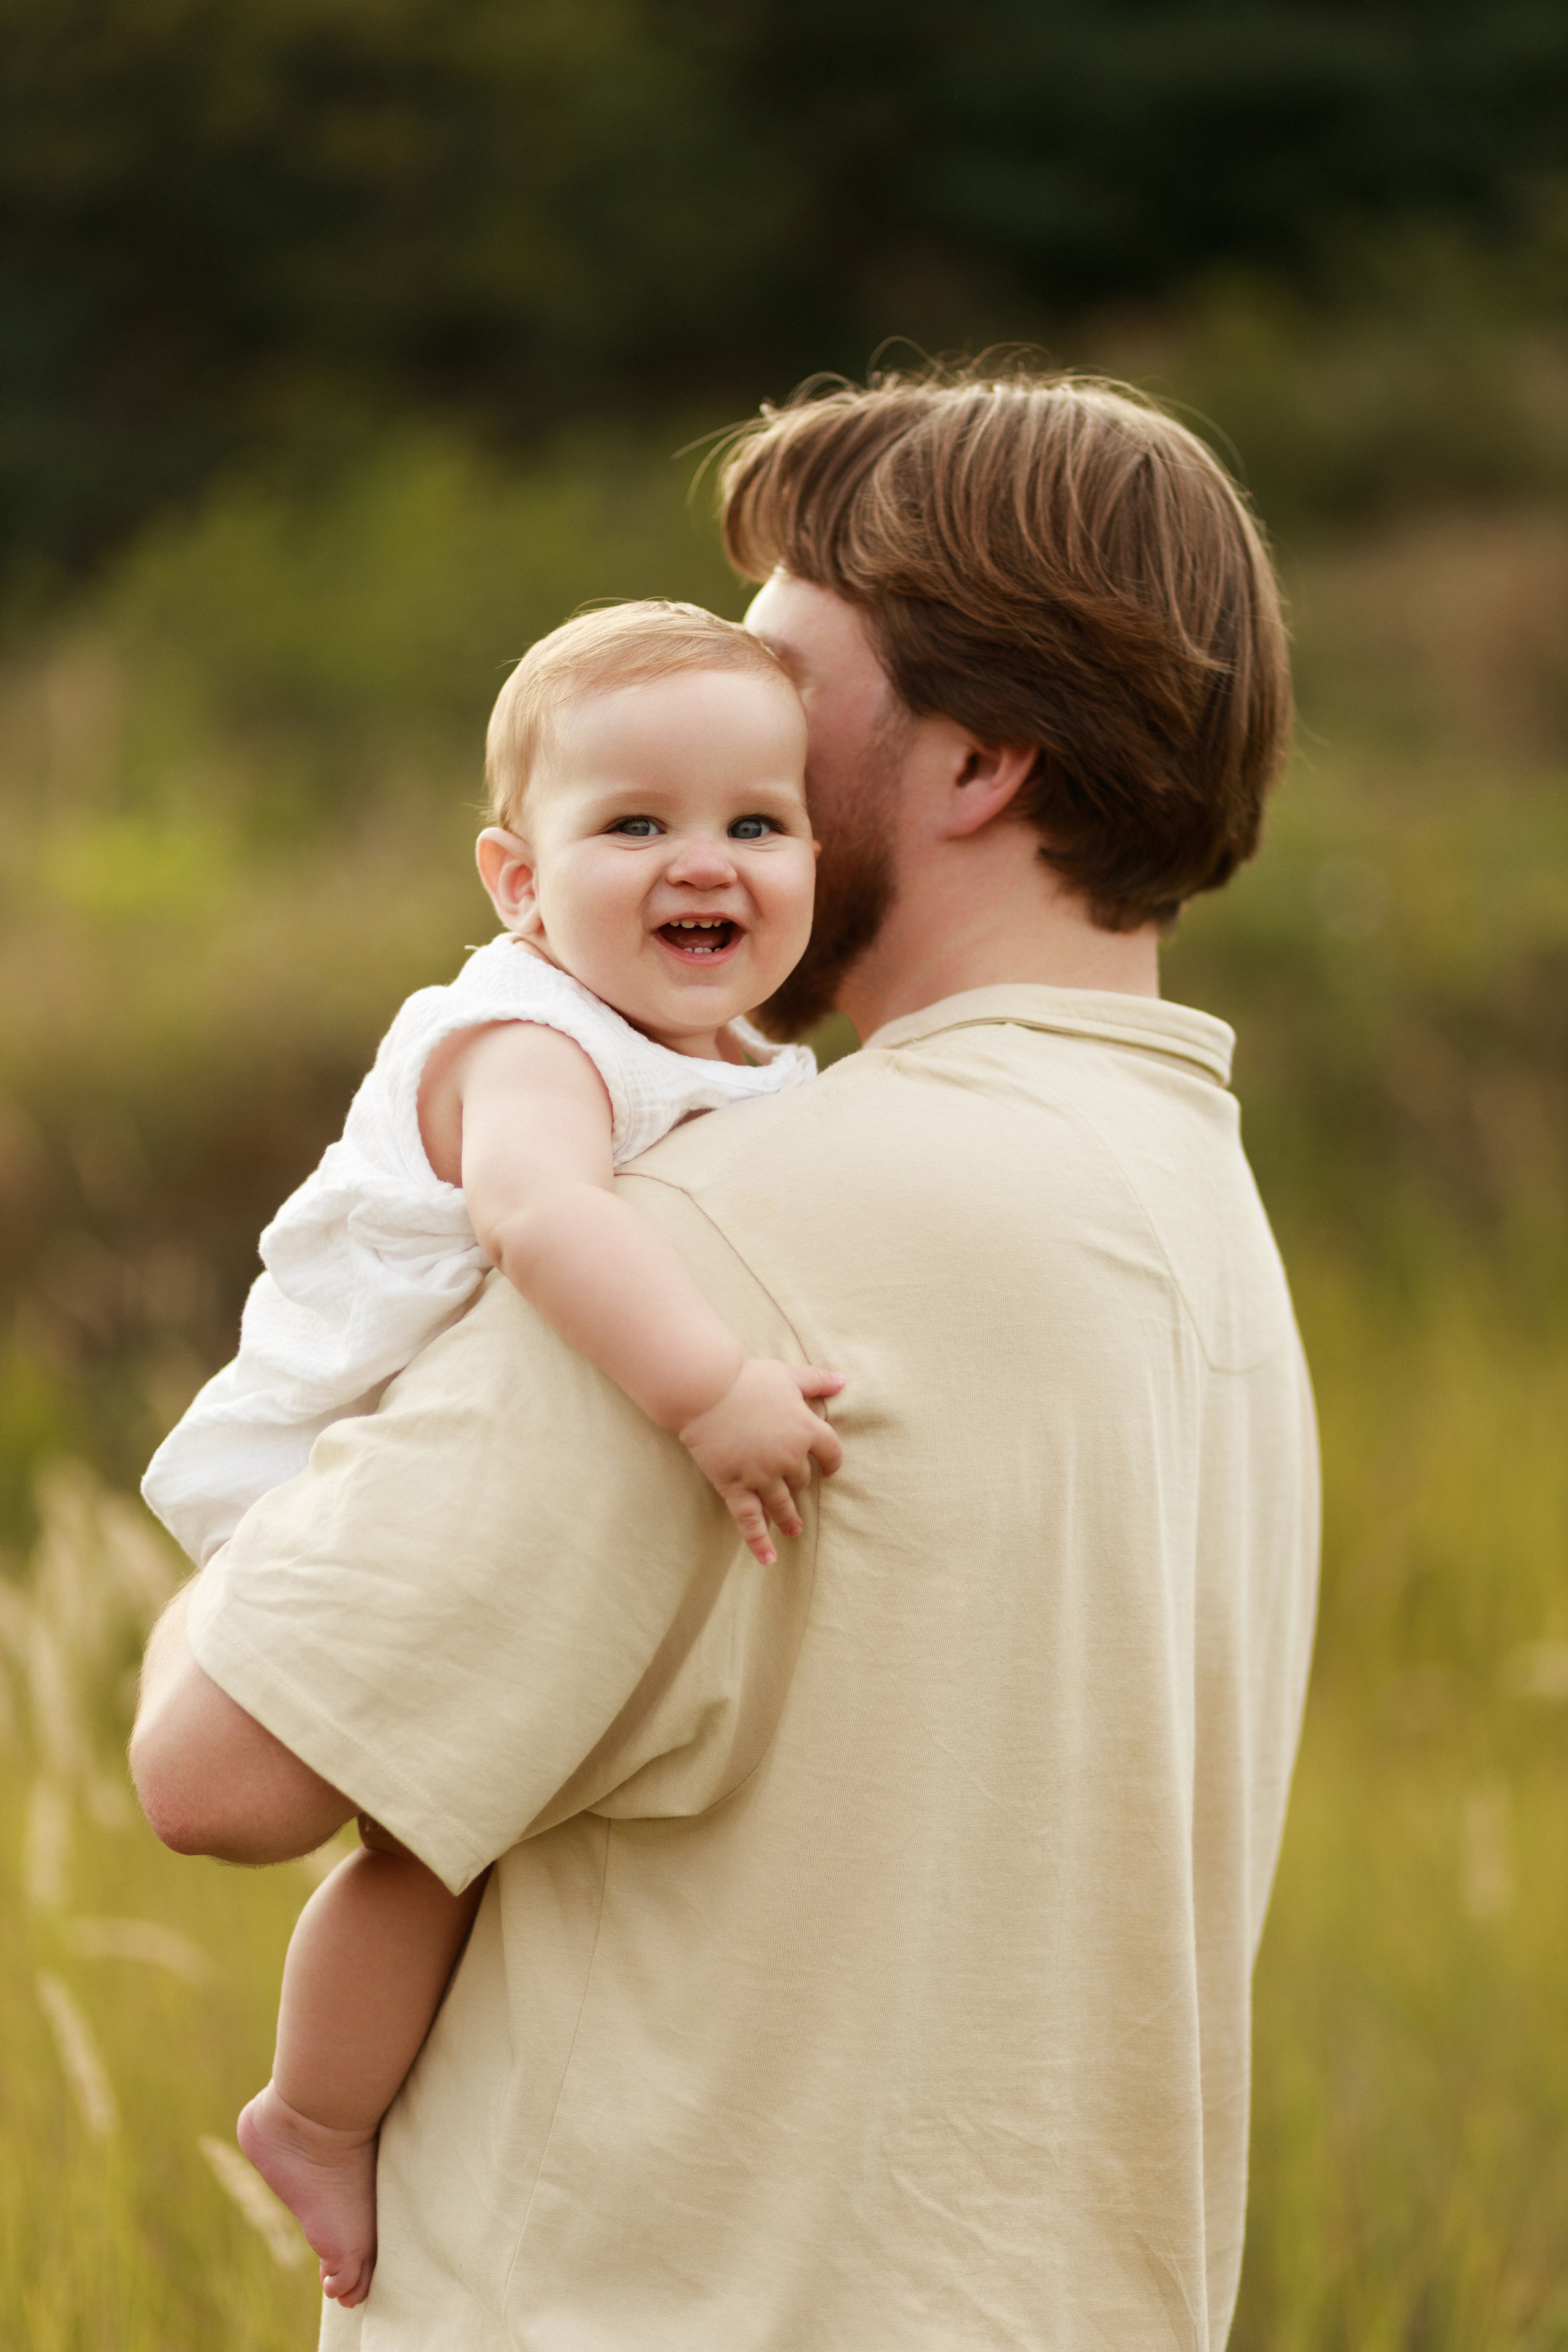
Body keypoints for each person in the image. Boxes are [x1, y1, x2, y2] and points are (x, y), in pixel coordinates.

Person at [132, 368, 1320, 2352]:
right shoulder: (1199, 1214)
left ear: (978, 763)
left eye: (784, 683)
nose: (726, 716)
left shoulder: (736, 1228)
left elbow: (223, 1767)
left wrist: (304, 1470)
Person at [141, 599, 847, 2305]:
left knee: (481, 1828)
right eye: (635, 827)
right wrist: (705, 1393)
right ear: (518, 884)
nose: (706, 863)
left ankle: (351, 2111)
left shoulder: (744, 1058)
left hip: (482, 1492)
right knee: (421, 1838)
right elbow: (540, 1221)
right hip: (336, 1469)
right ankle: (313, 2115)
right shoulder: (529, 1040)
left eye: (758, 824)